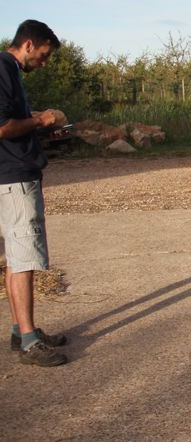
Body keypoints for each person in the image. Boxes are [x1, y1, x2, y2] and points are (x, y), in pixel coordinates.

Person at [0, 19, 69, 367]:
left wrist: (39, 134)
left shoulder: (9, 72)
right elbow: (2, 127)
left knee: (16, 256)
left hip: (13, 174)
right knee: (25, 257)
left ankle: (19, 330)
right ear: (28, 44)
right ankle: (29, 341)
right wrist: (40, 120)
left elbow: (14, 127)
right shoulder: (3, 68)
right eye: (42, 56)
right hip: (13, 178)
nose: (42, 64)